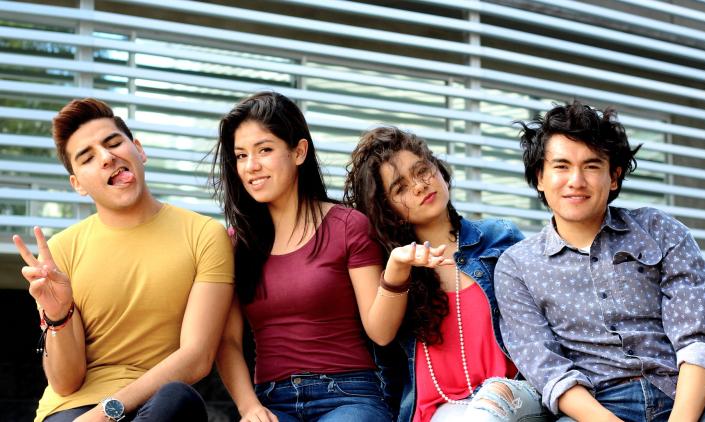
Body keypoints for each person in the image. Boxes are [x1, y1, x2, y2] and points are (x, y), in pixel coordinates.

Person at [495, 101, 705, 422]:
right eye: (561, 166)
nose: (576, 180)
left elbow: (698, 337)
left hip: (688, 395)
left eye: (591, 165)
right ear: (540, 178)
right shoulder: (517, 266)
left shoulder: (660, 230)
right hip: (597, 407)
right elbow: (546, 367)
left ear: (613, 177)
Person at [210, 92, 446, 422]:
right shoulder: (235, 244)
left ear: (298, 152)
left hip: (349, 396)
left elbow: (380, 331)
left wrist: (396, 272)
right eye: (240, 155)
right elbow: (228, 341)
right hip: (270, 401)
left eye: (264, 150)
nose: (251, 166)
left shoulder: (347, 226)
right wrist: (249, 408)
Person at [12, 98, 235, 422]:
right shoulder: (59, 252)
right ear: (77, 184)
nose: (106, 157)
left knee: (177, 398)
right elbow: (64, 382)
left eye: (113, 142)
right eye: (87, 158)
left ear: (139, 150)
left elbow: (197, 358)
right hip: (73, 411)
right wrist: (59, 315)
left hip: (155, 408)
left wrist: (106, 412)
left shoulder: (204, 234)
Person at [343, 126, 547, 422]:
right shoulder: (392, 266)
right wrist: (399, 269)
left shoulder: (499, 238)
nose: (419, 186)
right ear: (387, 210)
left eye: (422, 170)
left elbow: (546, 316)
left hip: (513, 395)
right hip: (443, 409)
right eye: (400, 188)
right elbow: (381, 334)